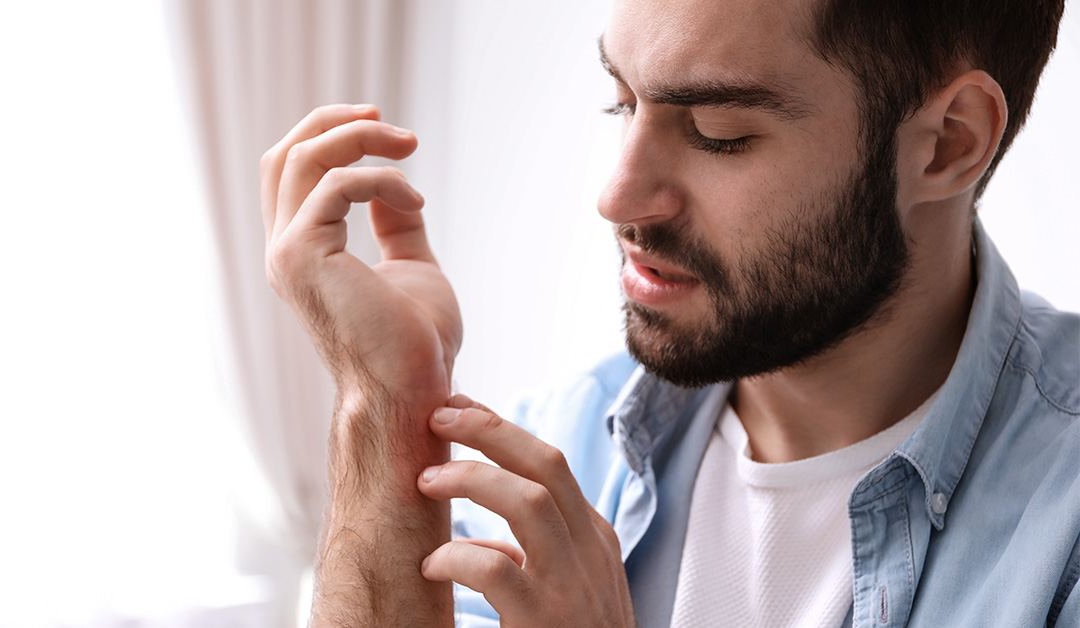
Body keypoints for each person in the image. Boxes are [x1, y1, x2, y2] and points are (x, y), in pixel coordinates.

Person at [259, 0, 1078, 625]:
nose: (616, 196)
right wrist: (386, 400)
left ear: (948, 143)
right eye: (622, 102)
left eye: (719, 133)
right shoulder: (559, 455)